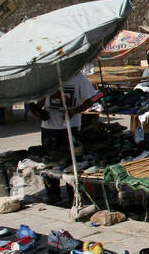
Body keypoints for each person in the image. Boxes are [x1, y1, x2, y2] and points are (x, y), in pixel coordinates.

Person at [28, 70, 98, 205]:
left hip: (71, 126)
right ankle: (53, 194)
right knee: (49, 162)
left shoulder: (78, 77)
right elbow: (39, 102)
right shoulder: (48, 77)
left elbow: (90, 101)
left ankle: (74, 196)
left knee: (72, 162)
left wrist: (74, 111)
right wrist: (39, 112)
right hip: (49, 127)